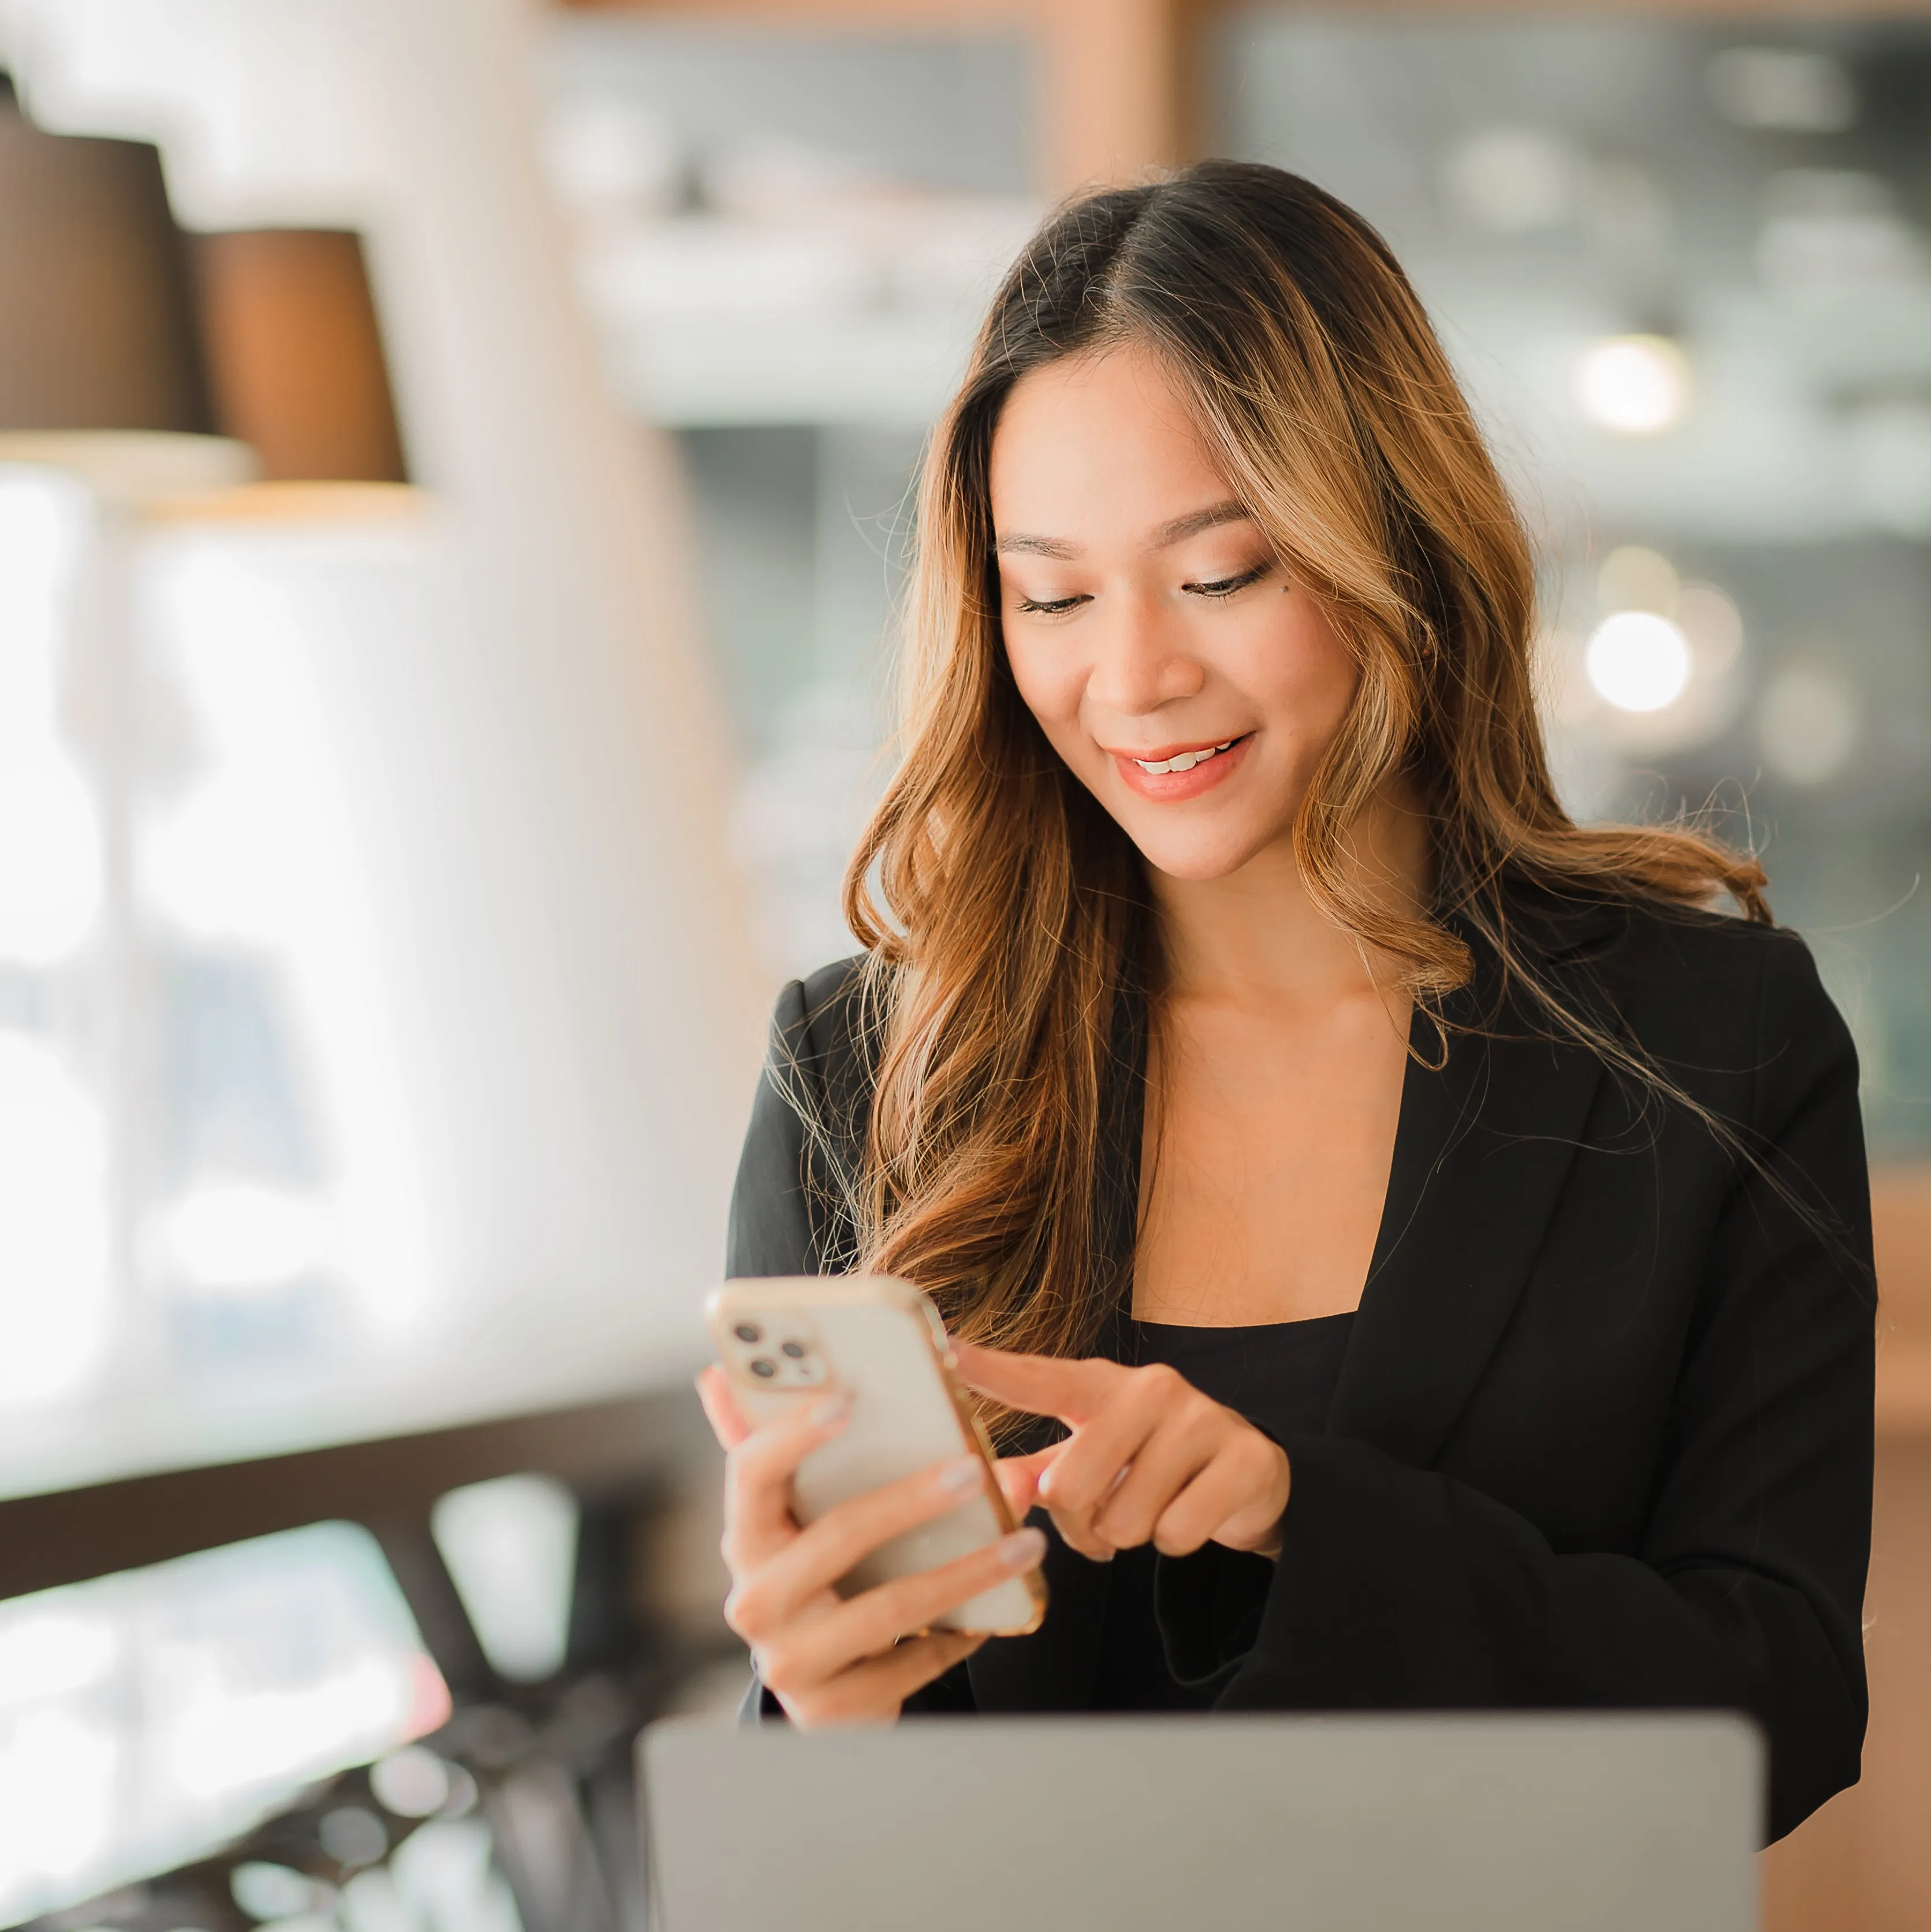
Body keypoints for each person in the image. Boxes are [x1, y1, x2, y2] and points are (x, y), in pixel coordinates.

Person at [698, 161, 1873, 1843]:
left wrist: (1301, 1521)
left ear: (1393, 541)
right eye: (1053, 595)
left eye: (1222, 573)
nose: (1133, 677)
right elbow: (819, 1833)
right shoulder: (860, 1071)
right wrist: (820, 1715)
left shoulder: (1708, 1039)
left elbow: (1780, 1708)